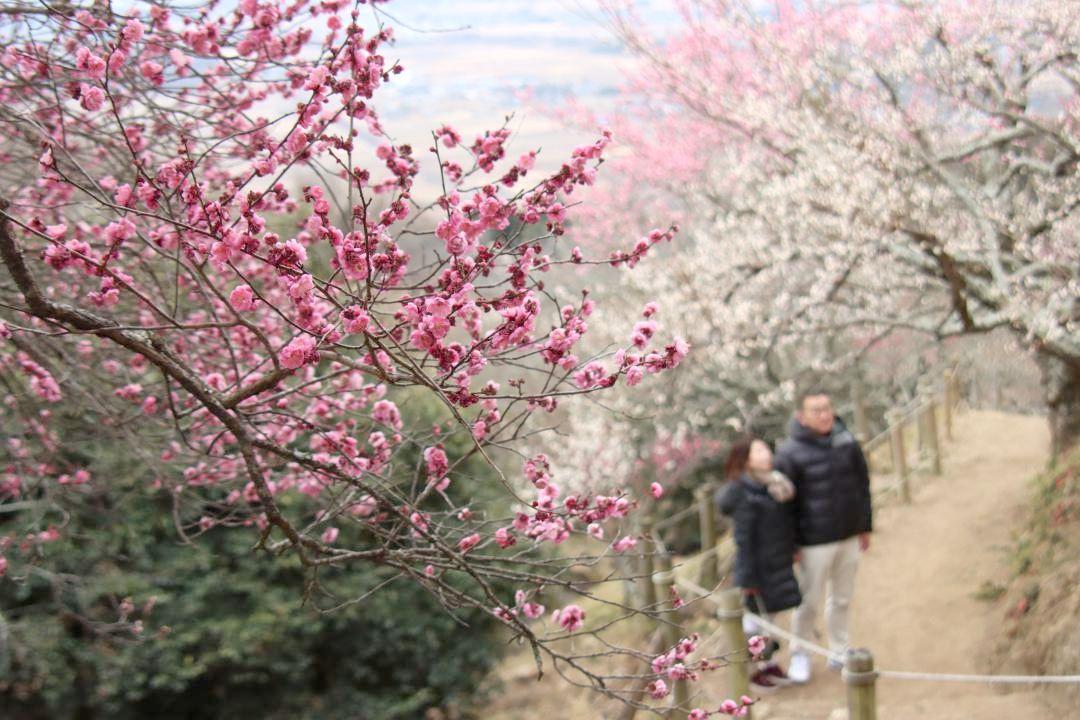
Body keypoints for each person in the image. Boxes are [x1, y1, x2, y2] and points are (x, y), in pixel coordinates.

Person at [774, 389, 872, 683]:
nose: (825, 414)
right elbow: (784, 506)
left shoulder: (847, 442)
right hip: (812, 541)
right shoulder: (789, 453)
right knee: (809, 601)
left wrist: (865, 526)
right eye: (816, 410)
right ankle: (800, 653)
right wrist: (791, 544)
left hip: (848, 535)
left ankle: (839, 649)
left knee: (842, 598)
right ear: (801, 417)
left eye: (828, 408)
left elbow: (862, 486)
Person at [717, 435, 801, 691]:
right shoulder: (743, 492)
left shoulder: (772, 484)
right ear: (746, 460)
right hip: (757, 569)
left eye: (767, 448)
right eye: (759, 450)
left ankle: (767, 663)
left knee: (769, 618)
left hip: (776, 561)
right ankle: (753, 668)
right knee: (756, 621)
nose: (767, 454)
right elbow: (745, 540)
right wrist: (749, 580)